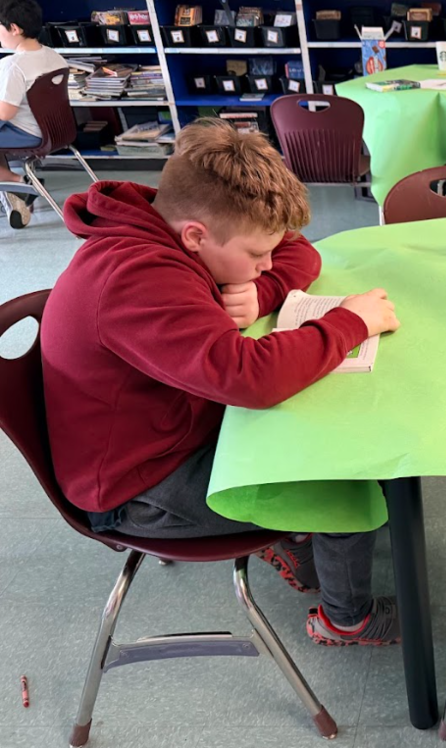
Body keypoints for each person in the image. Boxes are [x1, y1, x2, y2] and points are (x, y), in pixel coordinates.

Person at [41, 119, 403, 647]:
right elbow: (251, 377)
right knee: (343, 486)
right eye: (257, 258)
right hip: (139, 487)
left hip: (181, 424)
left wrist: (265, 289)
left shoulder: (177, 223)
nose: (264, 265)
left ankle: (299, 549)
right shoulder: (136, 277)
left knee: (315, 439)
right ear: (196, 237)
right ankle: (346, 619)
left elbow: (300, 250)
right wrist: (352, 322)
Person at [0, 0, 67, 229]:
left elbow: (5, 113)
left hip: (28, 132)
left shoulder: (12, 64)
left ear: (14, 28)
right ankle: (14, 189)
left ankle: (21, 183)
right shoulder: (53, 55)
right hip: (55, 130)